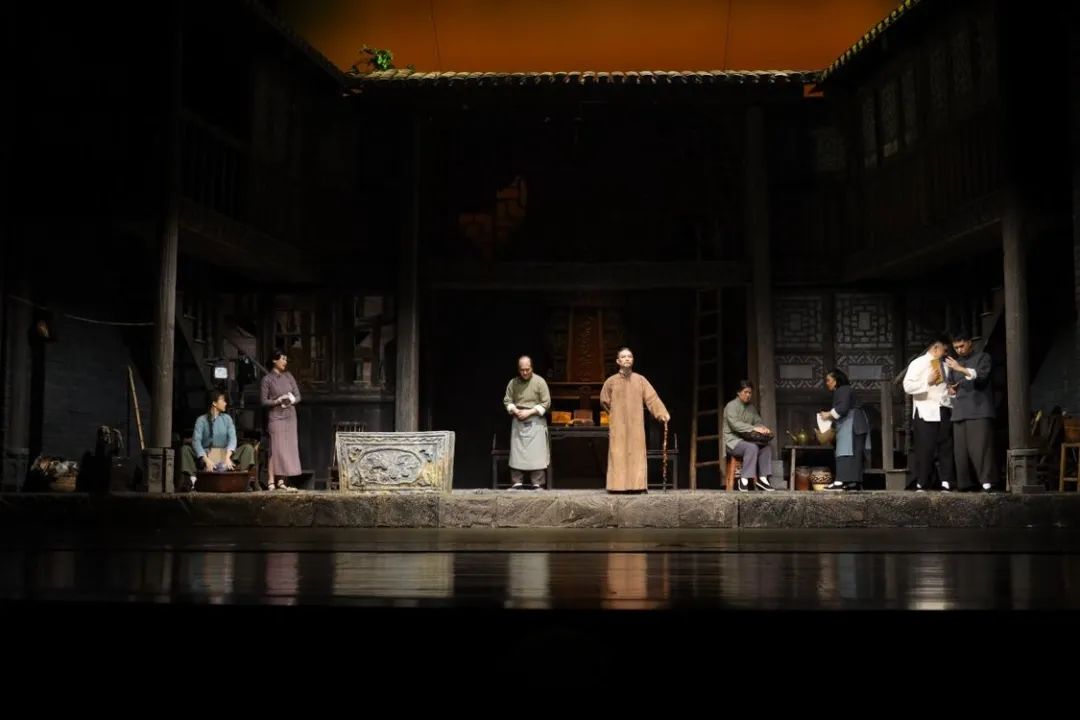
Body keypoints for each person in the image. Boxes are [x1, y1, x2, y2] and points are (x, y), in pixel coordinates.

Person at [599, 347, 670, 493]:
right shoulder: (611, 382)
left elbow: (652, 398)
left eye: (629, 356)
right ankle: (617, 486)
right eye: (623, 357)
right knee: (618, 453)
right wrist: (615, 413)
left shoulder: (640, 380)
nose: (627, 359)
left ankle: (637, 485)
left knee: (636, 453)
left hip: (636, 423)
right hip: (618, 424)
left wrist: (661, 413)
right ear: (618, 361)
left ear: (633, 360)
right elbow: (604, 401)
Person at [902, 335, 956, 491]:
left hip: (943, 408)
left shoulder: (945, 365)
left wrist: (951, 393)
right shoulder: (918, 363)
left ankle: (946, 480)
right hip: (925, 410)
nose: (946, 353)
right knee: (925, 448)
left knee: (946, 446)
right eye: (944, 350)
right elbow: (907, 386)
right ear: (935, 348)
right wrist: (927, 381)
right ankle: (923, 480)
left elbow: (946, 387)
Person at [945, 331, 996, 491]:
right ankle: (964, 483)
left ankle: (987, 481)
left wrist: (960, 369)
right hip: (960, 410)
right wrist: (951, 389)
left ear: (969, 343)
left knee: (981, 447)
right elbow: (951, 384)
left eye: (961, 346)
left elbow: (982, 378)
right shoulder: (956, 363)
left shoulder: (983, 357)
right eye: (956, 347)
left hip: (979, 408)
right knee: (961, 451)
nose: (959, 350)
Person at [179, 390, 255, 492]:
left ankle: (243, 480)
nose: (225, 403)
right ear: (214, 403)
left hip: (225, 454)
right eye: (223, 400)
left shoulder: (227, 419)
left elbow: (232, 438)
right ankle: (192, 480)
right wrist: (206, 460)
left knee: (248, 448)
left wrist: (227, 457)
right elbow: (196, 441)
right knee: (185, 449)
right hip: (206, 455)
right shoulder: (201, 420)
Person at [502, 355, 551, 490]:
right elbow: (507, 400)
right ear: (518, 369)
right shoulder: (513, 383)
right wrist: (515, 410)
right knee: (517, 452)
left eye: (527, 370)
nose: (524, 372)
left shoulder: (540, 382)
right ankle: (517, 482)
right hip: (518, 419)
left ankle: (537, 482)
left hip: (535, 419)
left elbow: (546, 403)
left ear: (532, 368)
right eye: (522, 370)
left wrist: (529, 412)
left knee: (537, 452)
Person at [819, 369, 870, 491]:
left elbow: (843, 408)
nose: (827, 383)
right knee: (853, 453)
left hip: (852, 423)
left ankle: (841, 481)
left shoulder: (843, 390)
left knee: (846, 451)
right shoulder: (846, 390)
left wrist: (828, 414)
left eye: (829, 380)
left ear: (836, 380)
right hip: (855, 423)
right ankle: (853, 482)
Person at [722, 380, 775, 491]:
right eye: (745, 392)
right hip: (733, 442)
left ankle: (763, 479)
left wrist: (763, 428)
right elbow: (735, 425)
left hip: (747, 441)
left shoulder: (751, 408)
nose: (748, 395)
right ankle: (744, 480)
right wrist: (753, 428)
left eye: (750, 393)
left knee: (766, 448)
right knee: (752, 447)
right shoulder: (731, 406)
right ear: (738, 392)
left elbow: (757, 421)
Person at [260, 350, 301, 492]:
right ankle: (271, 480)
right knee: (276, 448)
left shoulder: (289, 376)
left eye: (286, 359)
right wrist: (277, 400)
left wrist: (292, 399)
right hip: (276, 416)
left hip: (290, 416)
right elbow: (263, 401)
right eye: (283, 359)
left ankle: (282, 481)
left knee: (287, 448)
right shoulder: (267, 379)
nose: (285, 362)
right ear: (274, 360)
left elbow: (298, 396)